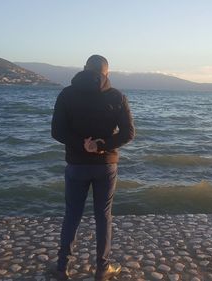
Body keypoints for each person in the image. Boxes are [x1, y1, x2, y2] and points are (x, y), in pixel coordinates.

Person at [51, 55, 135, 281]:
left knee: (72, 215)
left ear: (84, 69)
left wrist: (82, 145)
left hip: (76, 165)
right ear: (107, 73)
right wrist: (101, 145)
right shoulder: (117, 96)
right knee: (103, 216)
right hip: (105, 165)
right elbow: (128, 133)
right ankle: (102, 268)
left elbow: (57, 132)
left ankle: (62, 268)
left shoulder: (67, 94)